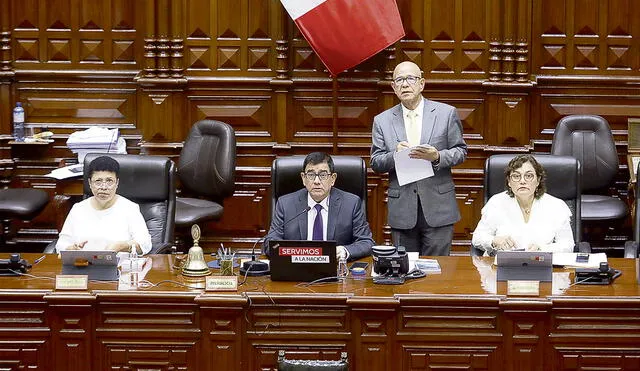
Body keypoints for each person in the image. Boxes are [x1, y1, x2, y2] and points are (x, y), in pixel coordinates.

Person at [370, 61, 467, 256]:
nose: (405, 84)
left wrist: (437, 156)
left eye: (410, 79)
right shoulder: (382, 120)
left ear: (421, 83)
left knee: (437, 274)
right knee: (404, 272)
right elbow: (376, 162)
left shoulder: (446, 113)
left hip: (438, 207)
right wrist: (395, 155)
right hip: (403, 209)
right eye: (399, 80)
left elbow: (460, 151)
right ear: (393, 87)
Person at [264, 152, 374, 261]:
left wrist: (344, 251)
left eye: (323, 175)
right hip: (297, 269)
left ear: (333, 179)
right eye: (311, 175)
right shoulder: (285, 204)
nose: (317, 181)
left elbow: (366, 242)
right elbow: (271, 243)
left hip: (336, 270)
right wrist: (292, 253)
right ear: (303, 178)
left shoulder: (351, 204)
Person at [471, 154, 574, 255]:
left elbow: (567, 245)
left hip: (541, 265)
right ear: (509, 182)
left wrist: (542, 249)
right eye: (516, 176)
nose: (522, 181)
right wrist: (493, 240)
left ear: (538, 180)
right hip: (503, 267)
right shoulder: (496, 203)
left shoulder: (556, 206)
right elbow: (477, 238)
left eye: (528, 176)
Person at [56, 156, 152, 254]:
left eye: (109, 181)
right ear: (89, 183)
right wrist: (71, 249)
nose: (104, 187)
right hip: (83, 265)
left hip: (118, 266)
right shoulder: (78, 209)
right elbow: (61, 245)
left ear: (117, 183)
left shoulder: (129, 208)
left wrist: (123, 246)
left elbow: (145, 244)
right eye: (98, 181)